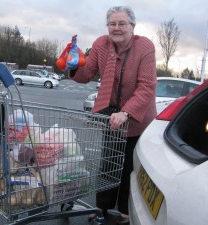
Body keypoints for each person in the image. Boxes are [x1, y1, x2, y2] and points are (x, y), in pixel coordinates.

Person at [69, 6, 157, 224]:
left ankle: (126, 211)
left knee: (129, 167)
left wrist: (126, 112)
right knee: (109, 163)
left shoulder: (144, 47)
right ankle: (102, 207)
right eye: (112, 24)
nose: (116, 28)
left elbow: (146, 86)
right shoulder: (101, 44)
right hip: (112, 117)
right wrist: (73, 65)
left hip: (137, 118)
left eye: (121, 23)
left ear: (132, 26)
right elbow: (86, 73)